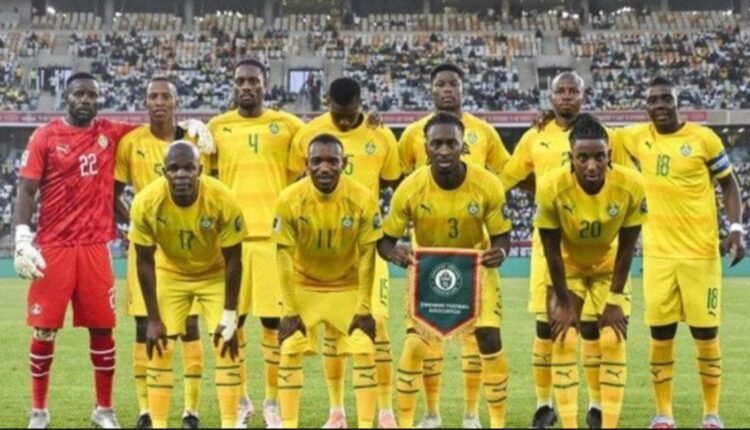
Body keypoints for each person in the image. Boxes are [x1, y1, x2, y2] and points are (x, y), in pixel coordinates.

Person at [501, 71, 634, 429]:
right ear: (550, 96)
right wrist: (541, 194)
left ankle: (596, 405)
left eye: (573, 90)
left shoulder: (605, 136)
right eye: (560, 91)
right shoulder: (536, 135)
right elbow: (507, 177)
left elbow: (620, 179)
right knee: (548, 326)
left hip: (597, 246)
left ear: (583, 95)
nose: (566, 96)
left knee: (592, 327)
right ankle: (545, 405)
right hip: (550, 246)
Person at [14, 72, 140, 429]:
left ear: (99, 100)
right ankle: (39, 411)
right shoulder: (46, 135)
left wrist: (187, 127)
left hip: (95, 248)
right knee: (44, 330)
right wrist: (22, 237)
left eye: (91, 95)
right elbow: (26, 188)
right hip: (54, 247)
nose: (85, 100)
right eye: (78, 94)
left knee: (102, 329)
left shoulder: (110, 132)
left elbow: (152, 131)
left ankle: (104, 409)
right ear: (66, 97)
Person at [620, 77, 745, 429]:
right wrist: (549, 120)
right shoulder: (636, 136)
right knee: (661, 335)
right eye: (653, 100)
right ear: (646, 106)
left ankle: (711, 414)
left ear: (677, 103)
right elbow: (591, 131)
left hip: (700, 256)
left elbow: (729, 184)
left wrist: (736, 228)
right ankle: (664, 414)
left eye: (666, 98)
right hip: (658, 258)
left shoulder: (703, 139)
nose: (660, 105)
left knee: (706, 335)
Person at [378, 112, 512, 428]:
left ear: (463, 146)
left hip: (476, 272)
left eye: (451, 143)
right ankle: (422, 417)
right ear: (425, 146)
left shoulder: (487, 184)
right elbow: (384, 241)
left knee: (488, 338)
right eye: (436, 143)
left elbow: (502, 233)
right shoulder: (410, 188)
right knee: (415, 344)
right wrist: (395, 254)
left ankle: (484, 419)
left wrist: (502, 250)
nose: (444, 150)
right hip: (428, 274)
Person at [288, 77, 402, 428]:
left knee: (377, 325)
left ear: (360, 105)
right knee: (334, 332)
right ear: (327, 104)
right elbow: (296, 181)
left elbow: (392, 180)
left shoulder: (380, 134)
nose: (343, 120)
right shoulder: (309, 133)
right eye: (337, 114)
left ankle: (385, 411)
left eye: (350, 114)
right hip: (324, 249)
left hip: (367, 244)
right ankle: (336, 410)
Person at [208, 58, 305, 428]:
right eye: (241, 81)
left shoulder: (289, 126)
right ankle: (242, 400)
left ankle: (272, 402)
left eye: (254, 81)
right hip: (231, 242)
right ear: (234, 86)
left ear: (265, 85)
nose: (247, 86)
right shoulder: (218, 127)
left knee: (273, 324)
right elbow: (202, 177)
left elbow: (324, 144)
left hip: (272, 241)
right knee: (232, 322)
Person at [114, 76, 214, 429]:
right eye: (153, 96)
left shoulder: (195, 139)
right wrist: (133, 225)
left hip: (187, 248)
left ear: (176, 102)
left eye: (165, 96)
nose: (159, 102)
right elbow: (112, 193)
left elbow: (212, 187)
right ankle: (146, 410)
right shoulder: (131, 143)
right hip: (147, 246)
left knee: (189, 324)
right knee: (144, 324)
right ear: (145, 102)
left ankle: (190, 410)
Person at [534, 114, 646, 428]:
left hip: (609, 268)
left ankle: (606, 422)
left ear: (609, 155)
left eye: (599, 156)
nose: (592, 165)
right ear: (571, 158)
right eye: (583, 158)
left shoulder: (631, 184)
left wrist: (615, 300)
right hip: (567, 268)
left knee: (612, 339)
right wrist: (562, 301)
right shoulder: (551, 187)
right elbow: (551, 250)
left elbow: (628, 247)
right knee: (564, 338)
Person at [129, 141, 246, 429]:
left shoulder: (222, 198)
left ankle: (229, 424)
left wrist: (230, 314)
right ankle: (159, 424)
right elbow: (144, 260)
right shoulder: (146, 202)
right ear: (163, 172)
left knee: (226, 344)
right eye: (174, 168)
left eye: (189, 168)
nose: (181, 174)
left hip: (215, 274)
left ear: (200, 170)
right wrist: (153, 318)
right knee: (159, 346)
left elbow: (234, 259)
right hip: (172, 274)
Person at [274, 134, 381, 428]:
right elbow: (283, 257)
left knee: (364, 347)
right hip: (303, 284)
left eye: (332, 161)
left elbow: (367, 256)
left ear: (344, 163)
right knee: (290, 347)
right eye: (317, 161)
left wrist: (364, 308)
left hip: (346, 285)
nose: (324, 168)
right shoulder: (289, 198)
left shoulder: (362, 198)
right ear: (306, 164)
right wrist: (290, 310)